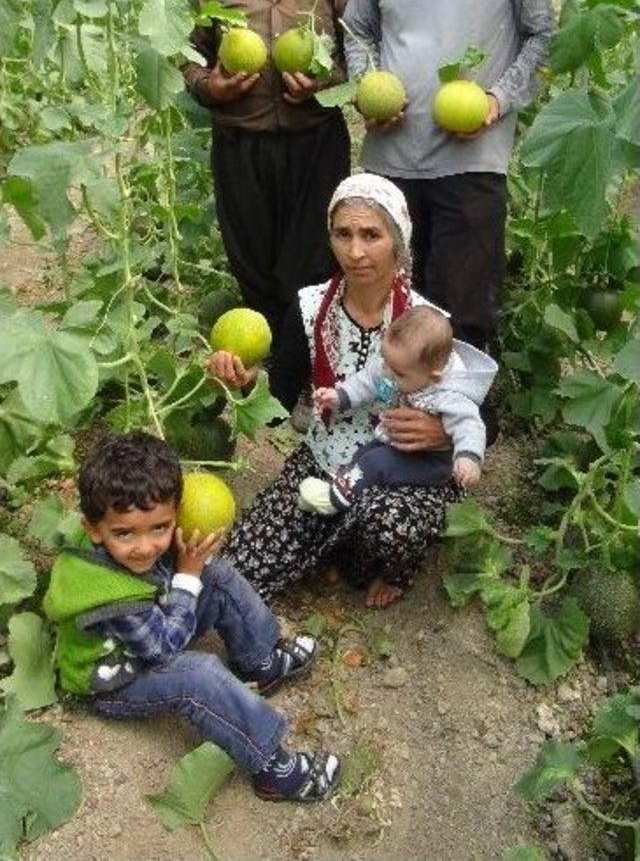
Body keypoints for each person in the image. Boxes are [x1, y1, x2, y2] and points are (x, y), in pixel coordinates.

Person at [342, 0, 559, 366]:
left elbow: (545, 33)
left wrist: (496, 100)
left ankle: (461, 435)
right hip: (391, 160)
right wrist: (367, 89)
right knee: (389, 304)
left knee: (462, 310)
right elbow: (357, 29)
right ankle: (392, 424)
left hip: (472, 161)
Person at [209, 172, 463, 610]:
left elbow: (482, 415)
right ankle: (337, 540)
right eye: (343, 234)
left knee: (387, 530)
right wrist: (247, 384)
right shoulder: (310, 307)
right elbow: (278, 406)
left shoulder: (428, 321)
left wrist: (442, 434)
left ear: (398, 240)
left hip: (401, 467)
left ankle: (385, 565)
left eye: (371, 235)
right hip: (328, 458)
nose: (356, 251)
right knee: (240, 565)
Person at [43, 431, 340, 803]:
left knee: (216, 575)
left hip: (147, 632)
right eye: (124, 533)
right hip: (115, 680)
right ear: (93, 530)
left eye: (160, 527)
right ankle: (273, 769)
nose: (145, 546)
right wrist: (187, 576)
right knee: (197, 675)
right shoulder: (109, 597)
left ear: (176, 512)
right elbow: (164, 650)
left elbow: (175, 571)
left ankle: (261, 660)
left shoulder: (121, 538)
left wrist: (194, 566)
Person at [182, 0, 352, 340]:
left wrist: (329, 82)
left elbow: (359, 54)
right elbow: (186, 57)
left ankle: (299, 371)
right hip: (241, 143)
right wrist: (210, 86)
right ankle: (269, 361)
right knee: (251, 262)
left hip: (315, 142)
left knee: (313, 262)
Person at [297, 304, 497, 516]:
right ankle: (345, 486)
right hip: (395, 443)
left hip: (429, 461)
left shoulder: (450, 395)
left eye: (398, 374)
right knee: (366, 454)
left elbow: (470, 424)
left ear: (434, 376)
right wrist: (340, 396)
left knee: (375, 463)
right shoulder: (398, 367)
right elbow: (369, 380)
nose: (388, 374)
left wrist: (468, 457)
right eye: (386, 362)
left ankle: (334, 502)